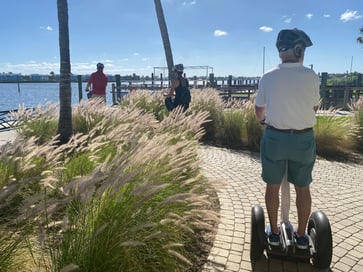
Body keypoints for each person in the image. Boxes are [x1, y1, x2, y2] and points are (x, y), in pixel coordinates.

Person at [254, 28, 320, 250]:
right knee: (303, 187)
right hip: (303, 139)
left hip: (275, 138)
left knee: (272, 186)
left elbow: (259, 111)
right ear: (299, 49)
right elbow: (315, 106)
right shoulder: (311, 76)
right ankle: (301, 236)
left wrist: (264, 121)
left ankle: (273, 233)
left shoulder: (268, 76)